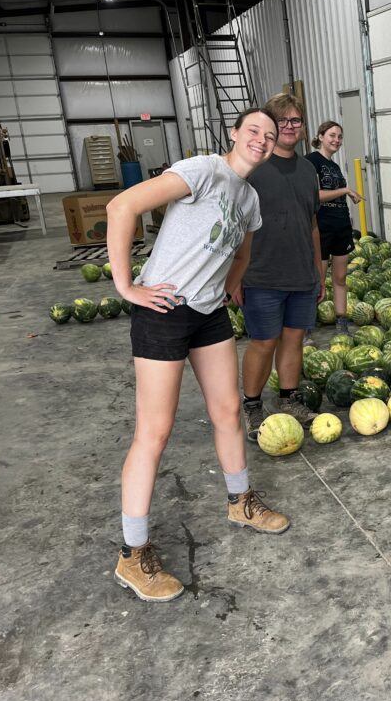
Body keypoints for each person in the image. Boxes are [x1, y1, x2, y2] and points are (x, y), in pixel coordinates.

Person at [107, 108, 291, 603]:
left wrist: (232, 282)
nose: (261, 139)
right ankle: (132, 553)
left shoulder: (249, 198)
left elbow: (244, 249)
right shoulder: (203, 170)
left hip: (207, 314)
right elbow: (122, 207)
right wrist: (127, 285)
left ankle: (240, 502)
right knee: (155, 430)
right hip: (163, 310)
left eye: (269, 136)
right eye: (253, 130)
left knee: (228, 411)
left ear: (273, 147)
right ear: (234, 134)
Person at [232, 93, 323, 440]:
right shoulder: (253, 169)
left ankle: (289, 400)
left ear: (302, 127)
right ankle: (252, 406)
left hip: (301, 273)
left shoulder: (308, 170)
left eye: (295, 120)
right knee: (263, 342)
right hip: (262, 275)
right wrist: (235, 275)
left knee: (293, 341)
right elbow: (236, 224)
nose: (288, 126)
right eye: (281, 121)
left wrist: (319, 271)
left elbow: (312, 224)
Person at [306, 120, 363, 335]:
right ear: (320, 136)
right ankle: (307, 328)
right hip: (321, 227)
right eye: (331, 135)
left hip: (341, 226)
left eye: (339, 137)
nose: (336, 140)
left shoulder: (335, 166)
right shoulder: (311, 162)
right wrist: (346, 190)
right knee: (317, 280)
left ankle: (341, 321)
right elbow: (315, 195)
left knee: (340, 278)